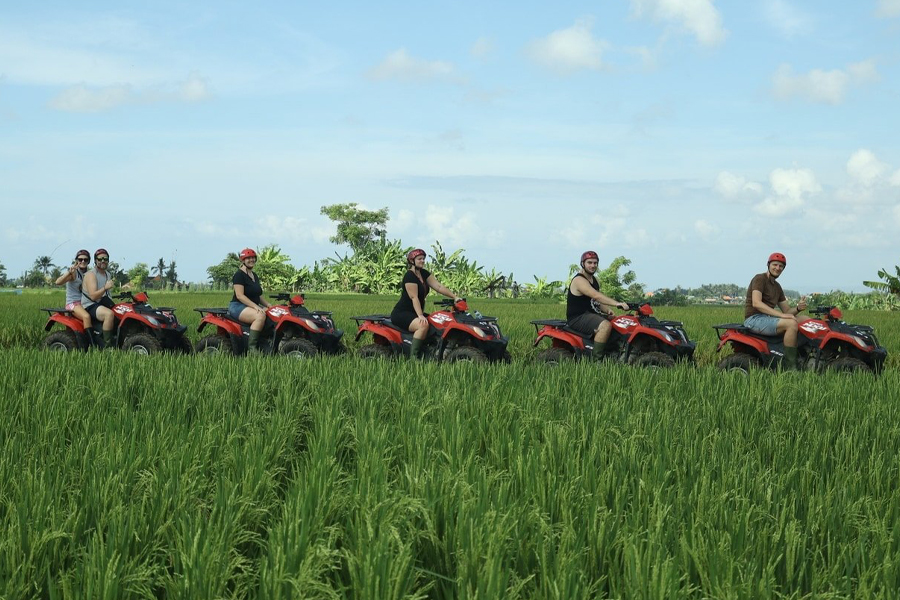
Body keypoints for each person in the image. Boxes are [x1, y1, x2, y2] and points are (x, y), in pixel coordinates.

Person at [744, 252, 808, 370]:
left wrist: (798, 308)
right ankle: (790, 366)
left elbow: (787, 311)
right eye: (775, 265)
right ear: (768, 265)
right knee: (791, 323)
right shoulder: (759, 279)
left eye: (781, 266)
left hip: (767, 319)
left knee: (805, 320)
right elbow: (756, 303)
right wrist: (782, 316)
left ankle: (806, 354)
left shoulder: (777, 287)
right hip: (754, 319)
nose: (777, 268)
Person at [391, 248, 459, 358]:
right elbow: (414, 297)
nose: (422, 261)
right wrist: (420, 315)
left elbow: (438, 286)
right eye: (419, 259)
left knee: (439, 321)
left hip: (416, 312)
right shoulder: (409, 276)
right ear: (412, 261)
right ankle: (414, 358)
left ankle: (432, 351)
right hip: (402, 313)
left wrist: (455, 297)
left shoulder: (423, 273)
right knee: (423, 325)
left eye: (423, 259)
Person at [567, 250, 630, 360]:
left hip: (589, 314)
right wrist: (617, 303)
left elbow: (595, 301)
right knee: (605, 325)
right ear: (583, 264)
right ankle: (597, 360)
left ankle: (613, 353)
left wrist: (607, 310)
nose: (593, 265)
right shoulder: (579, 280)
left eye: (595, 263)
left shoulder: (595, 280)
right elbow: (596, 295)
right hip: (578, 317)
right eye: (589, 262)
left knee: (618, 323)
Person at [228, 248, 272, 353]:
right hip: (238, 306)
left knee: (272, 313)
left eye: (253, 258)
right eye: (248, 258)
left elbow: (258, 296)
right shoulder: (238, 275)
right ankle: (252, 348)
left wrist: (269, 305)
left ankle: (266, 343)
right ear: (243, 260)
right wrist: (256, 307)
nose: (251, 260)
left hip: (250, 306)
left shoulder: (254, 276)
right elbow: (240, 296)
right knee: (260, 315)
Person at [81, 248, 117, 348]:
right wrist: (105, 287)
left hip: (102, 303)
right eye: (100, 259)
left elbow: (107, 294)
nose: (103, 261)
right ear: (95, 260)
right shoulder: (91, 275)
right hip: (90, 304)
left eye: (105, 259)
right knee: (109, 314)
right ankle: (107, 346)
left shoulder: (107, 274)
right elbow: (93, 296)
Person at [55, 249, 92, 334]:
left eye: (85, 259)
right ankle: (91, 343)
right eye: (80, 259)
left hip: (84, 302)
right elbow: (58, 282)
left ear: (88, 261)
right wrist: (69, 272)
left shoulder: (88, 273)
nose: (83, 261)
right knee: (86, 317)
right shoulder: (74, 273)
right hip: (73, 303)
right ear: (76, 261)